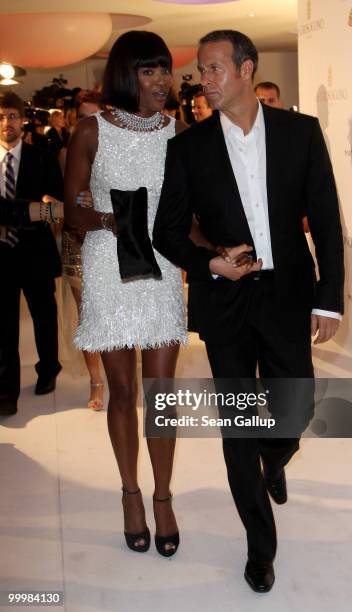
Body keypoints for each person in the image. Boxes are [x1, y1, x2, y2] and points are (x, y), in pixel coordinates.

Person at [153, 30, 344, 592]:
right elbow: (166, 231)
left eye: (213, 69)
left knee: (296, 407)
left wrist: (328, 297)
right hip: (226, 302)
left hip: (288, 294)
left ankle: (275, 455)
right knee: (238, 428)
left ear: (245, 69)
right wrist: (211, 262)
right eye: (201, 71)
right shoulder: (187, 147)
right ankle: (260, 548)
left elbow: (326, 221)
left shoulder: (300, 133)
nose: (203, 81)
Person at [64, 31, 187, 557]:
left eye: (165, 70)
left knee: (161, 393)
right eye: (149, 70)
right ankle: (130, 494)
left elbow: (191, 209)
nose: (161, 80)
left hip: (161, 265)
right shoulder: (91, 130)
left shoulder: (179, 132)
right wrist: (113, 220)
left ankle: (163, 497)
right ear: (125, 74)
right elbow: (71, 214)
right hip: (109, 262)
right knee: (124, 393)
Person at [0, 92, 63, 417]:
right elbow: (42, 210)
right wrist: (31, 209)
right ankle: (6, 391)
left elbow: (56, 211)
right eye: (1, 117)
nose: (6, 123)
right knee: (4, 326)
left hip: (36, 253)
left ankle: (49, 370)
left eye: (11, 115)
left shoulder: (44, 158)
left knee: (44, 318)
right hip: (1, 255)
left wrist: (12, 211)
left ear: (22, 118)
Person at [61, 93, 105, 410]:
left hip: (111, 239)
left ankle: (122, 375)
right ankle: (96, 381)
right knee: (87, 315)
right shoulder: (65, 154)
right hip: (77, 240)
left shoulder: (120, 154)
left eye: (93, 116)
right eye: (81, 116)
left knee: (118, 311)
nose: (86, 122)